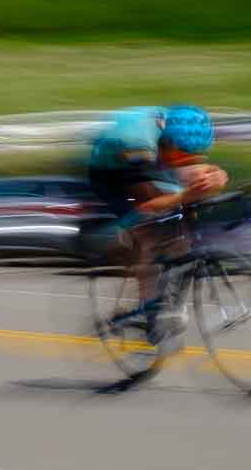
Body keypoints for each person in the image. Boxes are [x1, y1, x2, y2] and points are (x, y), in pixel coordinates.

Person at [85, 105, 226, 341]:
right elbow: (147, 204)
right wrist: (185, 195)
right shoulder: (136, 144)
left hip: (153, 156)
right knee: (148, 229)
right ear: (167, 143)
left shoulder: (184, 129)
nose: (188, 163)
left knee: (182, 217)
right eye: (182, 157)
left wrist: (217, 175)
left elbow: (194, 167)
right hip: (113, 174)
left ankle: (170, 294)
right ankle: (146, 306)